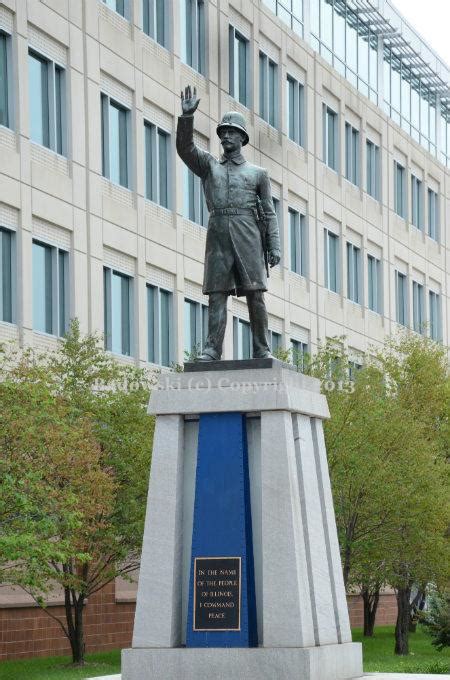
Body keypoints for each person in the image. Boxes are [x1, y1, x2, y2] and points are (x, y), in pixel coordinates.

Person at [176, 85, 281, 361]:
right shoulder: (210, 166)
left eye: (231, 131)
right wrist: (186, 119)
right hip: (219, 232)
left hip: (248, 232)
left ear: (242, 137)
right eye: (223, 132)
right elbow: (185, 149)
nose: (226, 135)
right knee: (216, 294)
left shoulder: (258, 174)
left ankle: (262, 348)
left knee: (255, 293)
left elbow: (269, 212)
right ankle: (212, 349)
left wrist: (274, 245)